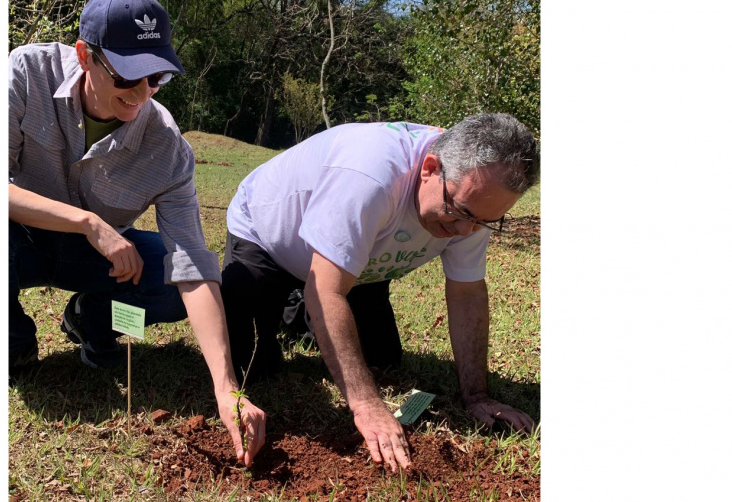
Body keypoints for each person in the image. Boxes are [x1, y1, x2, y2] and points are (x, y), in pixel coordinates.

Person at [8, 0, 265, 466]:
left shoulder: (166, 145)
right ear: (86, 56)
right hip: (14, 238)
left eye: (156, 78)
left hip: (95, 258)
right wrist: (87, 222)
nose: (142, 93)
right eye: (128, 76)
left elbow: (192, 263)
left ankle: (89, 315)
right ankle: (13, 340)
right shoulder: (28, 72)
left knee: (173, 288)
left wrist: (227, 387)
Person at [221, 113, 539, 472]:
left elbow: (467, 293)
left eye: (483, 221)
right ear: (430, 168)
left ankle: (295, 309)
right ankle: (289, 300)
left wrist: (477, 396)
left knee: (381, 359)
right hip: (267, 237)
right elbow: (326, 292)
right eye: (460, 212)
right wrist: (368, 406)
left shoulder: (474, 198)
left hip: (360, 262)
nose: (466, 231)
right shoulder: (370, 176)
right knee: (254, 368)